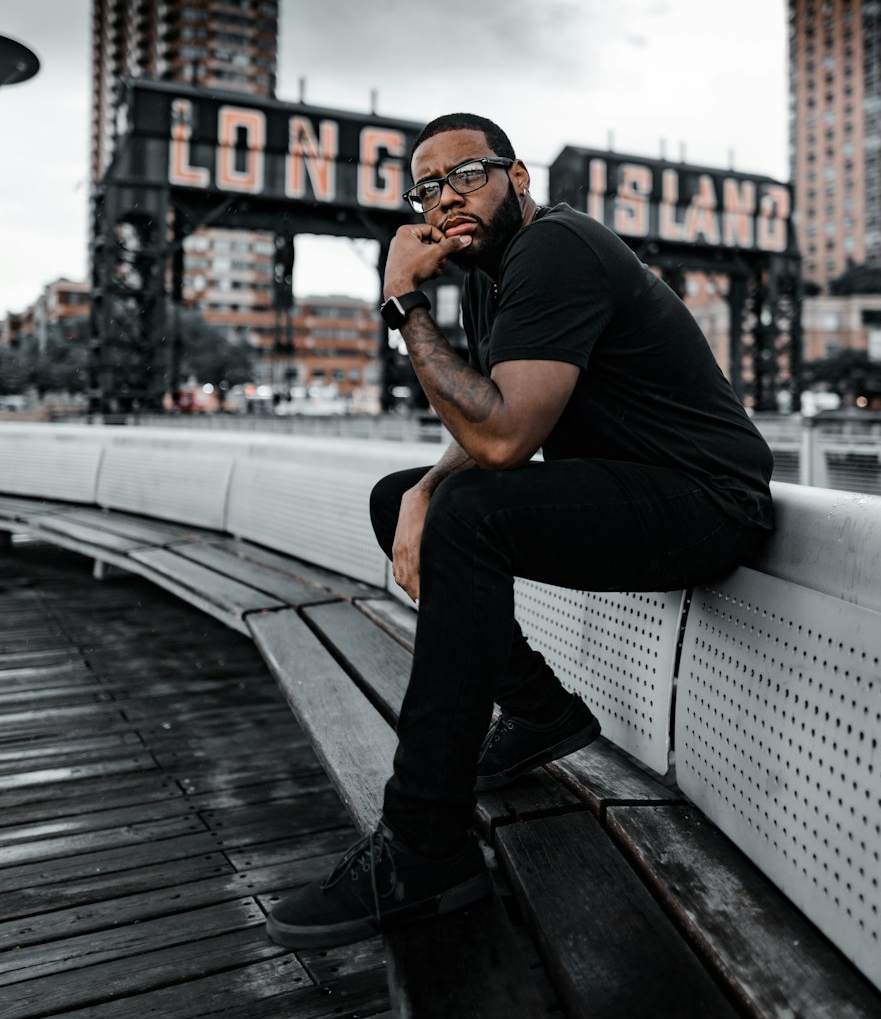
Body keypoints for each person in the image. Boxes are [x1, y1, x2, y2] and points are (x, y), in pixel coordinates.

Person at [267, 112, 775, 948]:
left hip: (708, 504)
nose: (445, 199)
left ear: (519, 177)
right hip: (632, 490)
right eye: (426, 188)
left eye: (466, 175)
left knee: (465, 517)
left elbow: (503, 440)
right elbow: (487, 423)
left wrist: (401, 304)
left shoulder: (556, 249)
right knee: (406, 499)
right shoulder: (488, 275)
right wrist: (424, 490)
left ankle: (425, 846)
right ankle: (540, 713)